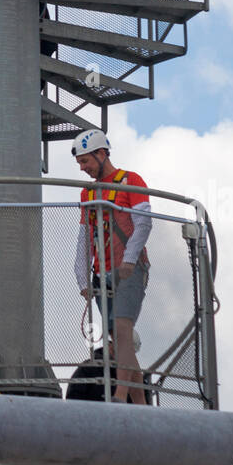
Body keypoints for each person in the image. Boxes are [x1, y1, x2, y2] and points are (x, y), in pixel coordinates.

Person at [71, 128, 152, 406]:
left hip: (129, 269)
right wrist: (82, 277)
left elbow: (143, 224)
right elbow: (85, 234)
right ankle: (140, 404)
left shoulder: (131, 181)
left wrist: (129, 261)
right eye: (80, 163)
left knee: (121, 330)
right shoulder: (87, 193)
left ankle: (118, 397)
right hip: (102, 272)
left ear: (102, 154)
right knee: (120, 340)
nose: (83, 168)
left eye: (86, 161)